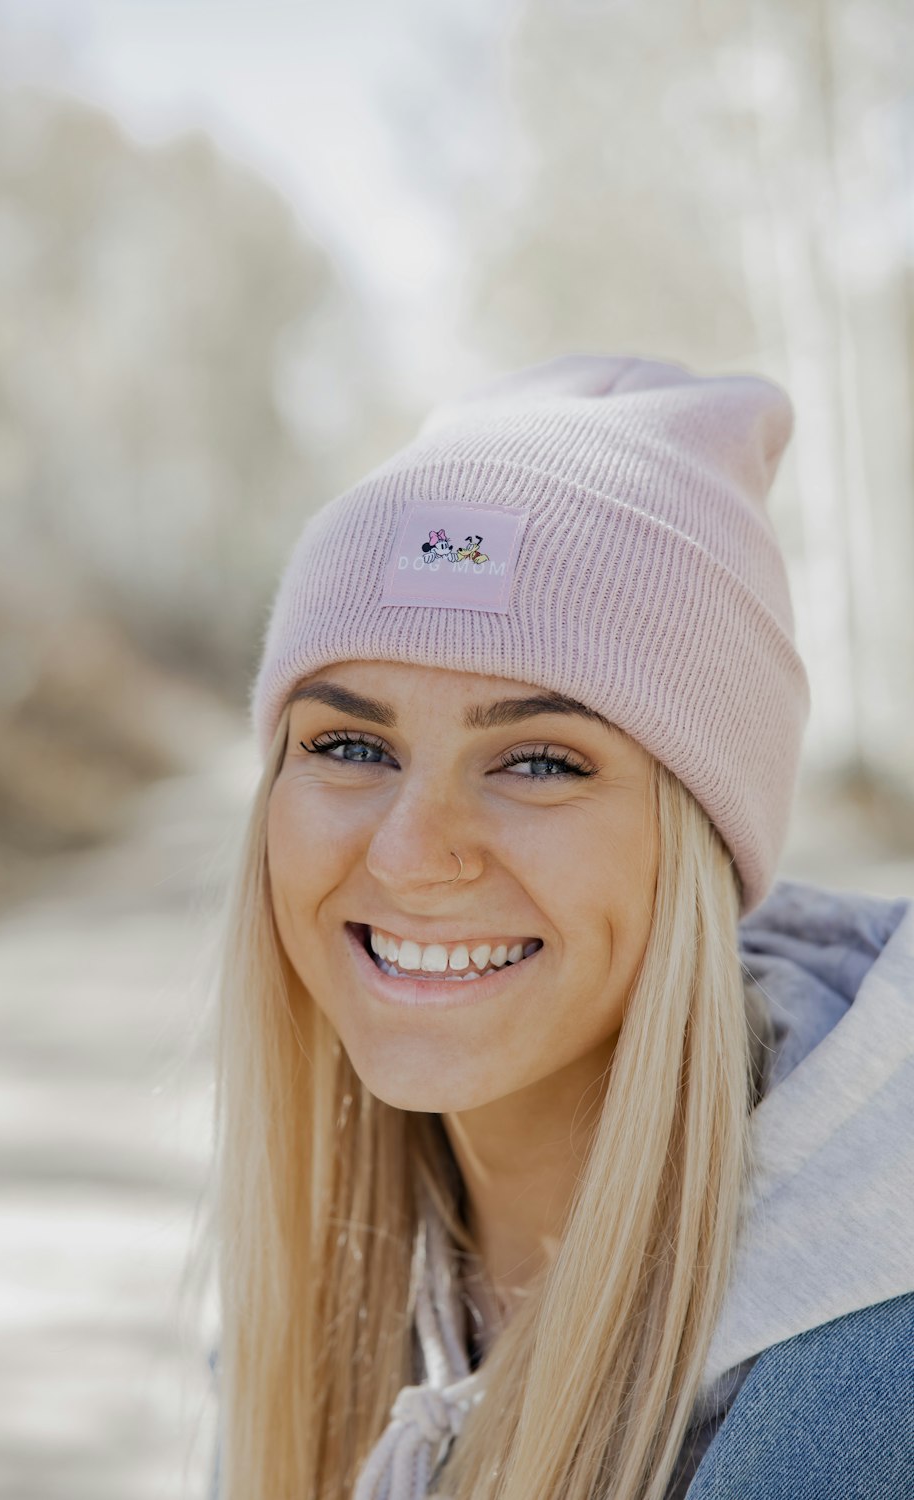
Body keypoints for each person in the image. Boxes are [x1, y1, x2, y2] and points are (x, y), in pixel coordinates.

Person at [206, 355, 914, 1499]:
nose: (408, 851)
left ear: (698, 846)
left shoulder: (871, 1394)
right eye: (348, 745)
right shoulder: (305, 1300)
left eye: (538, 761)